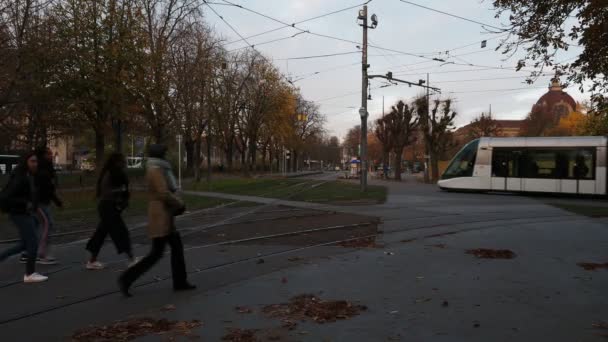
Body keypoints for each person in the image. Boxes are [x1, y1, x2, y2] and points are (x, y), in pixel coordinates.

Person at [119, 144, 195, 297]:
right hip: (161, 214)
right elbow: (163, 192)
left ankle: (180, 281)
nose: (165, 155)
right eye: (164, 153)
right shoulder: (155, 169)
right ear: (159, 155)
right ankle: (127, 278)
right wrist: (179, 203)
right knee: (157, 252)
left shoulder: (158, 167)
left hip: (164, 213)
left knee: (170, 249)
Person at [0, 152, 48, 283]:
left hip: (25, 213)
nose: (35, 164)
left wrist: (34, 204)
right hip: (19, 213)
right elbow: (6, 197)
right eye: (32, 161)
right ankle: (30, 274)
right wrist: (25, 203)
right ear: (25, 162)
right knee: (32, 243)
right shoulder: (20, 177)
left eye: (36, 161)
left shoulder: (29, 176)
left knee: (23, 245)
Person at [85, 153, 136, 270]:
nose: (124, 163)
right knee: (120, 231)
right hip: (108, 207)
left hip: (108, 207)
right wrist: (121, 192)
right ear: (116, 162)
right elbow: (108, 192)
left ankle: (92, 261)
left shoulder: (112, 173)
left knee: (101, 233)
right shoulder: (112, 174)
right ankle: (131, 259)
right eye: (122, 161)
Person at [26, 147, 62, 265]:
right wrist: (57, 201)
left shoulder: (45, 168)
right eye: (49, 154)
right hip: (40, 202)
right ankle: (41, 254)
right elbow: (46, 188)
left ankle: (29, 252)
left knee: (37, 226)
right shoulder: (42, 170)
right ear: (43, 155)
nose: (51, 156)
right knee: (47, 224)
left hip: (40, 202)